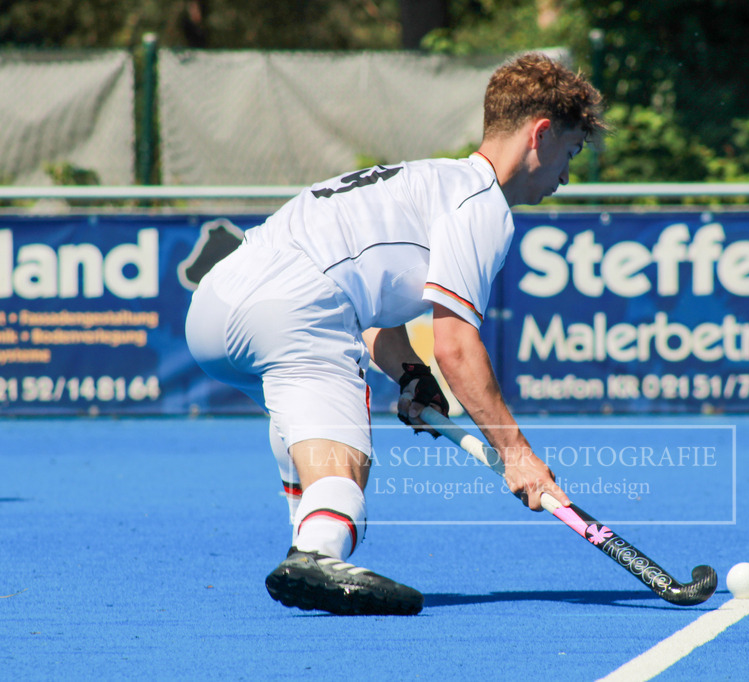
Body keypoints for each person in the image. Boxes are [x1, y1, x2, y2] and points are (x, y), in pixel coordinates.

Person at [185, 52, 605, 616]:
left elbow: (373, 307)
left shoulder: (425, 178)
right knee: (346, 463)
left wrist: (412, 377)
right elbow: (456, 347)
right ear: (542, 134)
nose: (567, 176)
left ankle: (309, 547)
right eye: (570, 153)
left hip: (214, 306)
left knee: (301, 418)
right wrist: (518, 455)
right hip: (294, 306)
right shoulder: (481, 205)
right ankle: (316, 554)